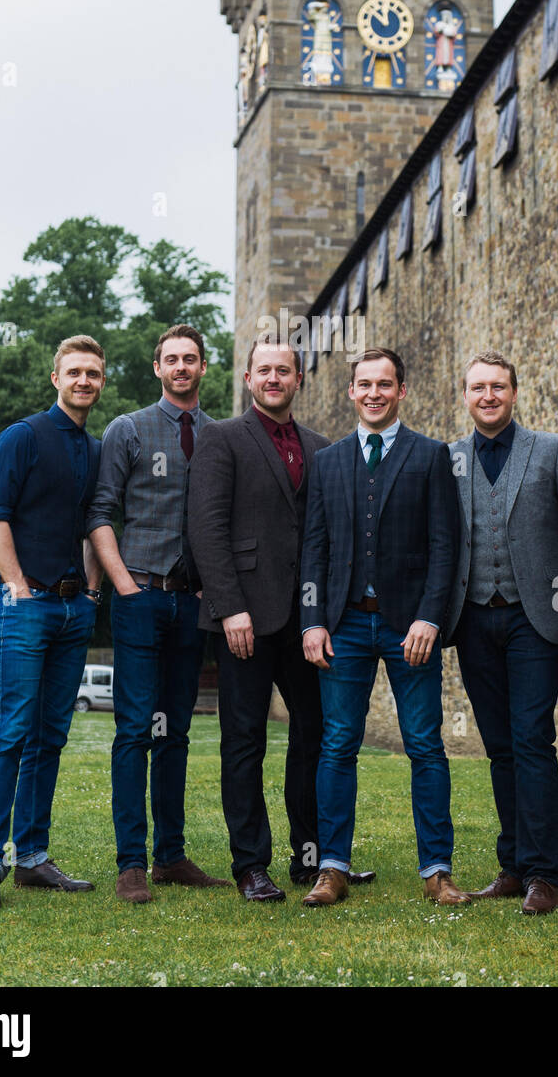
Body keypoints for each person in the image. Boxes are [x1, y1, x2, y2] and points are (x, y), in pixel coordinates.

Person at [300, 348, 468, 909]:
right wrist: (312, 621)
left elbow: (447, 546)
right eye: (364, 384)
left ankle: (438, 871)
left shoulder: (431, 455)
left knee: (424, 745)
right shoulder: (328, 461)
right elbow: (315, 550)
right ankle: (332, 867)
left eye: (385, 384)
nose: (374, 393)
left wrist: (430, 617)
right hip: (343, 625)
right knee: (337, 745)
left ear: (402, 391)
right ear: (352, 392)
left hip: (409, 629)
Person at [188, 339, 347, 902]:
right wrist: (231, 607)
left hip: (305, 621)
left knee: (314, 737)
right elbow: (206, 529)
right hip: (244, 620)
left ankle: (311, 860)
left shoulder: (322, 448)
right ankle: (251, 864)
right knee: (244, 741)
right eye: (264, 370)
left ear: (298, 379)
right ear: (248, 378)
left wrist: (321, 614)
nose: (273, 378)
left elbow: (325, 537)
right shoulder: (221, 438)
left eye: (284, 370)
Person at [86, 326, 229, 903]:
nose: (181, 368)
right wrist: (123, 586)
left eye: (190, 359)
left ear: (203, 367)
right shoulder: (128, 429)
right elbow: (99, 511)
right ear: (156, 368)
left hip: (192, 604)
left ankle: (171, 856)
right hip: (140, 597)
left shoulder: (221, 437)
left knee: (177, 731)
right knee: (134, 730)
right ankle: (131, 863)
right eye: (171, 360)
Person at [0, 335, 106, 912]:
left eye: (93, 373)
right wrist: (18, 586)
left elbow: (94, 523)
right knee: (12, 732)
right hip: (21, 607)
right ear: (56, 378)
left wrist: (93, 593)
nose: (83, 381)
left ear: (101, 381)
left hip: (74, 611)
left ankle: (32, 857)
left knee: (51, 736)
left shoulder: (95, 450)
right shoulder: (22, 438)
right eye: (74, 371)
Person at [449, 351, 558, 914]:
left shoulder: (550, 450)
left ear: (515, 393)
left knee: (531, 740)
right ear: (466, 396)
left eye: (498, 387)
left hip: (534, 617)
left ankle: (544, 874)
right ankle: (512, 865)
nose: (489, 396)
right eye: (479, 388)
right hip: (473, 617)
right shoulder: (448, 459)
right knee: (499, 746)